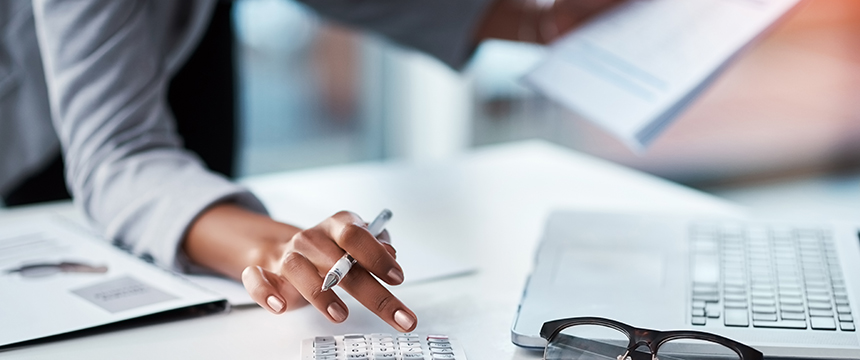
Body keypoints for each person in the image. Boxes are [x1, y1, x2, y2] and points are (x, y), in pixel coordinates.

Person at [0, 0, 621, 332]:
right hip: (36, 134)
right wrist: (280, 248)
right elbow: (118, 154)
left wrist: (528, 18)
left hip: (185, 30)